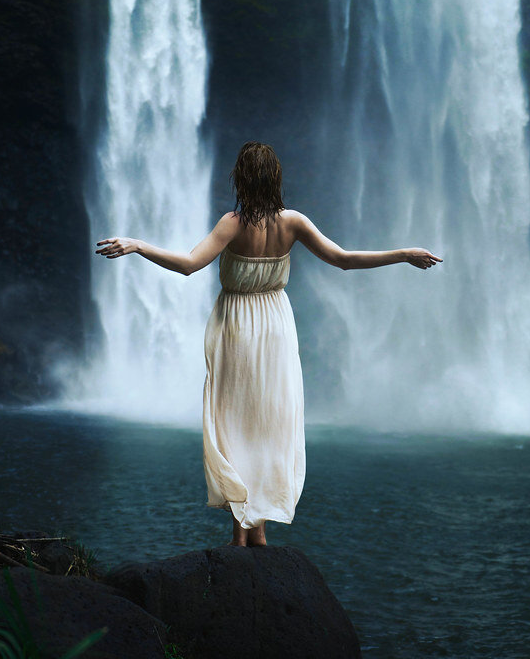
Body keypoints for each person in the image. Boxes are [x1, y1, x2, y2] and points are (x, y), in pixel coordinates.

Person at [96, 141, 441, 547]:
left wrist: (137, 245)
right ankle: (255, 529)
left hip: (237, 325)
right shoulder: (292, 223)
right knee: (269, 423)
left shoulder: (232, 223)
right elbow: (344, 259)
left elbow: (189, 265)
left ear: (240, 179)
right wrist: (404, 253)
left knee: (235, 421)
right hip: (276, 326)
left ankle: (242, 533)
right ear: (276, 178)